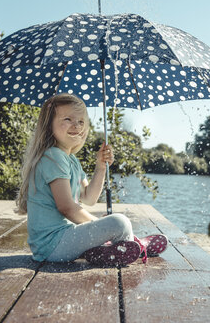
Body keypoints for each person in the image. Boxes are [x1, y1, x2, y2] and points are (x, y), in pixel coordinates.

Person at [16, 93, 167, 266]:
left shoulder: (70, 159)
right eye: (68, 119)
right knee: (119, 222)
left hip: (63, 241)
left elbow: (89, 198)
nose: (76, 125)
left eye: (81, 121)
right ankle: (135, 244)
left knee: (115, 222)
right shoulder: (53, 157)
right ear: (49, 125)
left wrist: (101, 167)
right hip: (53, 245)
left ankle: (111, 249)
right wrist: (99, 225)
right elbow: (67, 207)